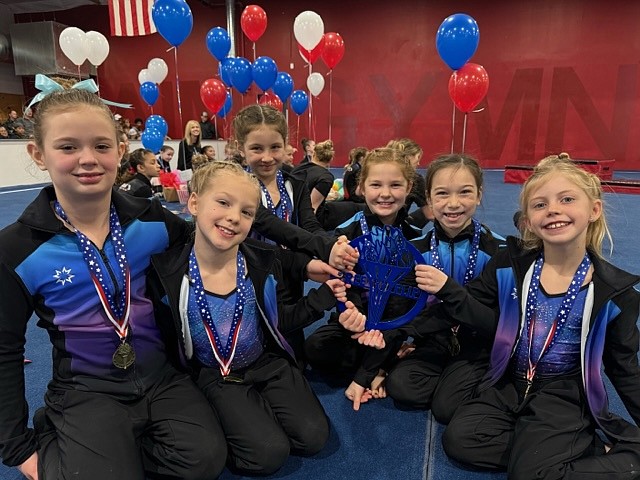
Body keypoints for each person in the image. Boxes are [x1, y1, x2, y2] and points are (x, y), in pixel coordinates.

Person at [0, 88, 225, 480]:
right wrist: (17, 448)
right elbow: (3, 351)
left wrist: (307, 257)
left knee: (204, 461)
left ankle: (110, 448)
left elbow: (218, 240)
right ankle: (64, 429)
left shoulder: (151, 219)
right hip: (87, 388)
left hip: (160, 377)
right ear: (39, 154)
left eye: (101, 145)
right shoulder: (16, 249)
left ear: (120, 151)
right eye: (68, 146)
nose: (88, 159)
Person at [416, 154, 640, 478]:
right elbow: (466, 305)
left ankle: (620, 459)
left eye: (566, 199)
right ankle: (564, 449)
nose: (553, 210)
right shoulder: (512, 264)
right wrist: (391, 332)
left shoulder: (614, 295)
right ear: (529, 219)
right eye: (540, 204)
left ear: (594, 209)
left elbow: (625, 371)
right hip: (511, 383)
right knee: (460, 439)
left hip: (562, 394)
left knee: (529, 475)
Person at [147, 161, 359, 475]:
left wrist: (323, 296)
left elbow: (280, 322)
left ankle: (253, 415)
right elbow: (162, 337)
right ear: (193, 202)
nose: (234, 217)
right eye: (222, 202)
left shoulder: (261, 262)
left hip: (267, 363)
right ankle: (237, 419)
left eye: (247, 212)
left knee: (314, 437)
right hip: (216, 374)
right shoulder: (168, 272)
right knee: (267, 455)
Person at [358, 154, 505, 422]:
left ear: (479, 194)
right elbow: (399, 311)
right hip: (431, 339)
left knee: (447, 409)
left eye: (465, 192)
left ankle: (460, 383)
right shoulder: (414, 249)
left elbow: (501, 320)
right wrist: (380, 369)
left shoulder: (498, 250)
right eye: (442, 193)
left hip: (478, 344)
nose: (453, 203)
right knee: (402, 387)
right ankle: (453, 382)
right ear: (428, 197)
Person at [304, 147, 423, 405]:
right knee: (315, 348)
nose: (385, 194)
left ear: (409, 186)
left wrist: (369, 364)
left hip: (394, 325)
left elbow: (407, 302)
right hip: (354, 321)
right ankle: (383, 363)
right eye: (376, 185)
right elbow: (341, 282)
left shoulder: (415, 237)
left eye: (395, 185)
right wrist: (354, 317)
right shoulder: (347, 231)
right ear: (362, 187)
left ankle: (380, 364)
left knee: (401, 342)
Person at [233, 104, 333, 359]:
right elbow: (271, 225)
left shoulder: (295, 182)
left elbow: (308, 224)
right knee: (255, 351)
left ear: (287, 146)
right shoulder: (236, 187)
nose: (267, 157)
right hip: (250, 277)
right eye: (256, 148)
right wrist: (325, 249)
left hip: (291, 276)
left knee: (293, 356)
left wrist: (332, 241)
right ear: (241, 149)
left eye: (275, 147)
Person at [387, 138, 432, 229]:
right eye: (418, 157)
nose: (418, 163)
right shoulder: (415, 179)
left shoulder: (379, 172)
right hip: (396, 229)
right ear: (408, 157)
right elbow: (430, 215)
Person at [290, 139, 335, 213]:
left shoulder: (298, 168)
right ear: (331, 159)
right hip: (303, 218)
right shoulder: (326, 177)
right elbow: (311, 209)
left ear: (314, 154)